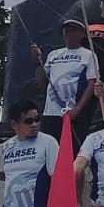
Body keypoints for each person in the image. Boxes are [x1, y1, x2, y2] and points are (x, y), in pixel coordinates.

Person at [33, 18, 97, 152]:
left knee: (71, 152)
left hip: (72, 112)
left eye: (73, 30)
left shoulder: (88, 55)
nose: (68, 34)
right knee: (48, 151)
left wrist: (77, 110)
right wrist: (37, 61)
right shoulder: (53, 54)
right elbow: (42, 82)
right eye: (66, 31)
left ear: (82, 34)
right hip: (50, 112)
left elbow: (91, 84)